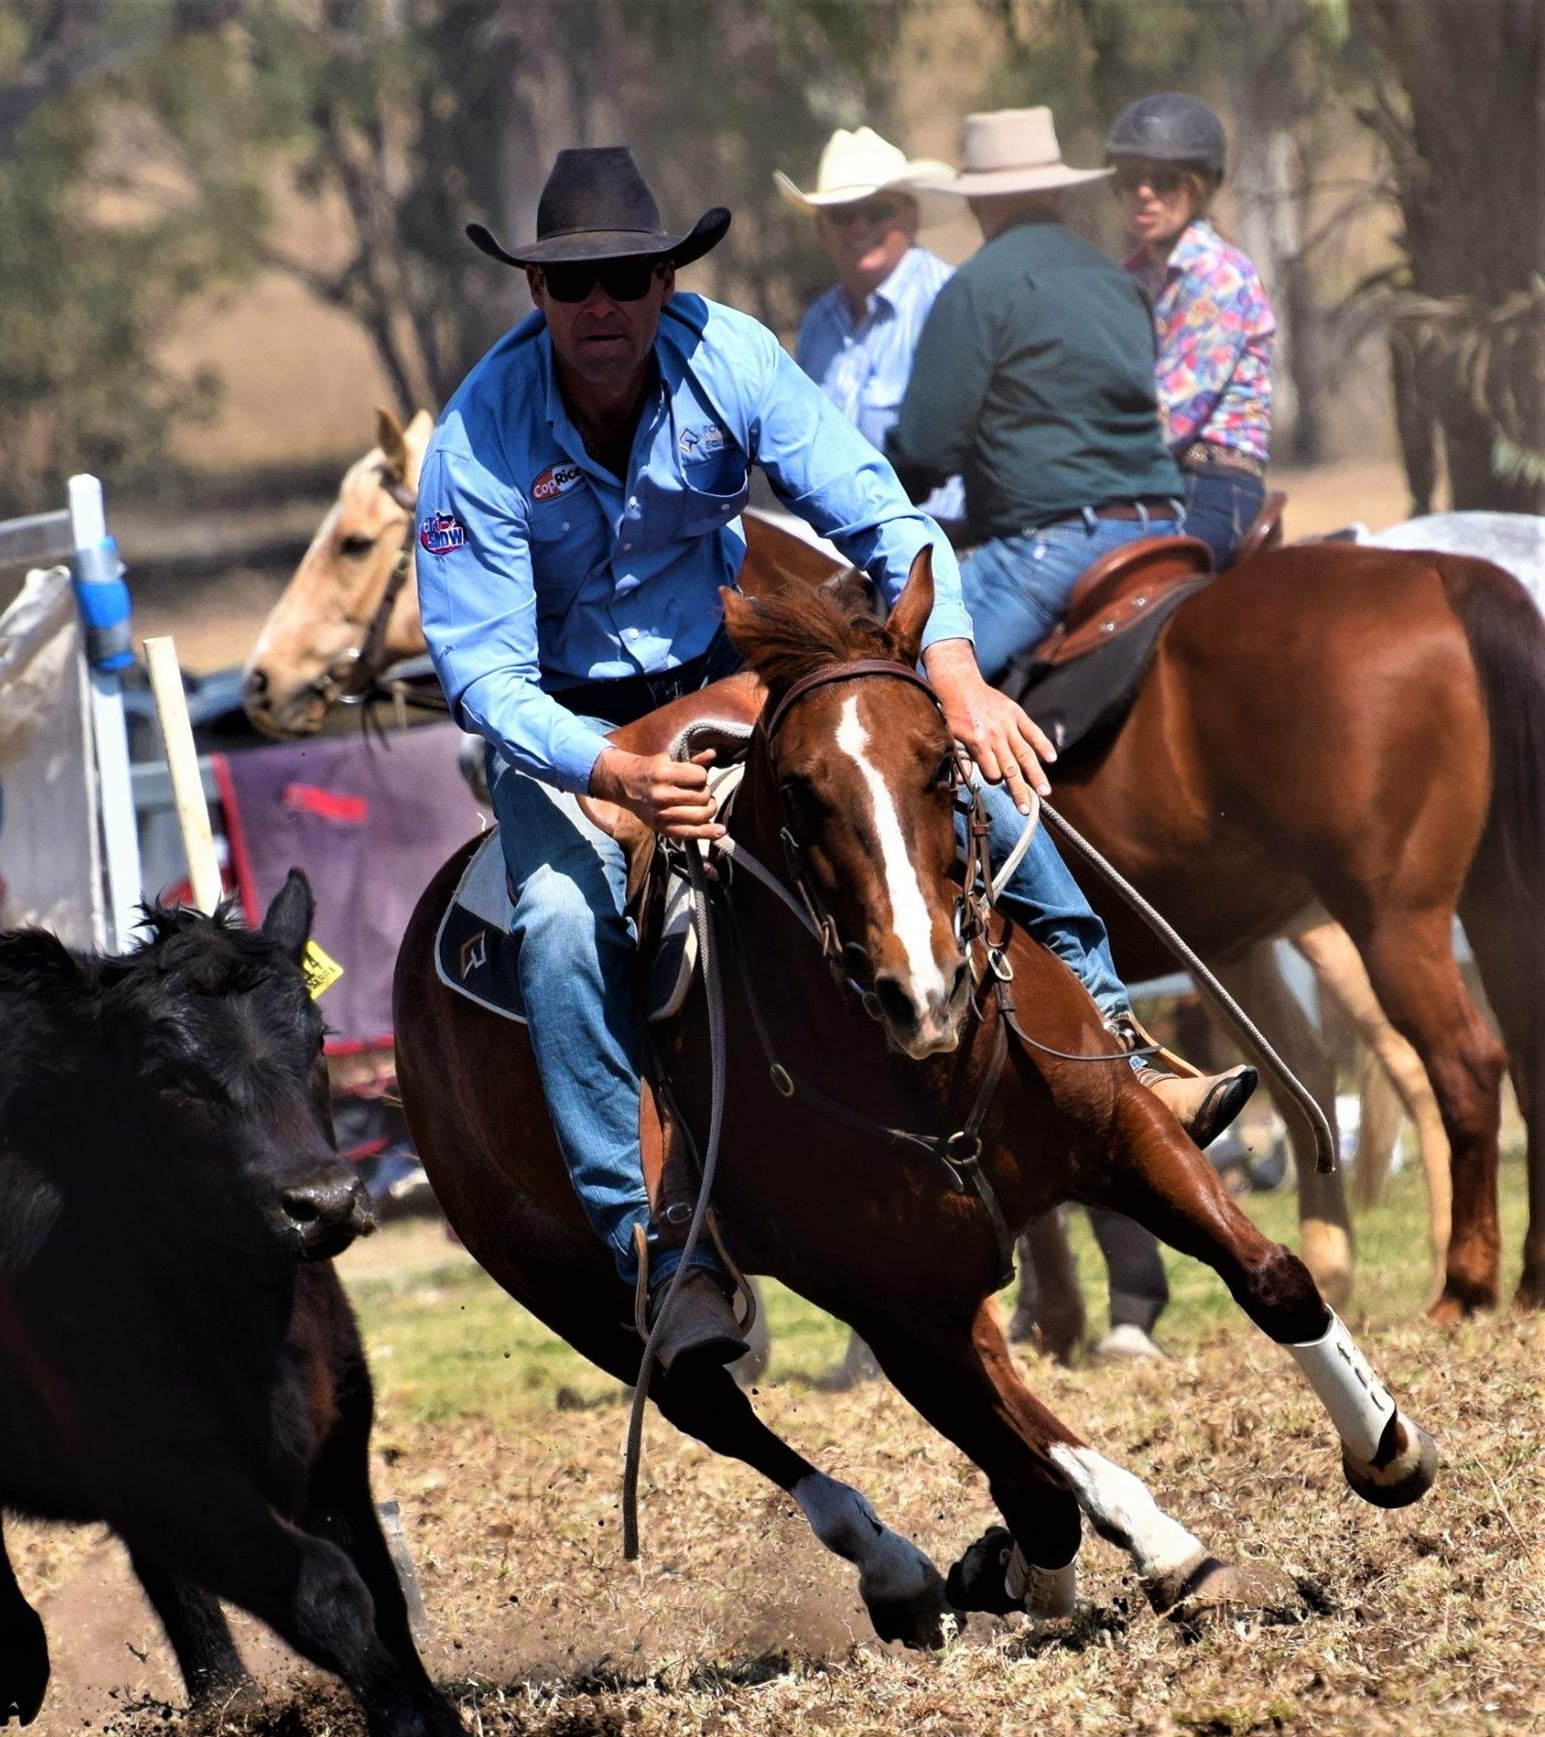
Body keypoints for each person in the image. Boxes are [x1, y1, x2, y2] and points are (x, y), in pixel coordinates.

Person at [416, 147, 1254, 1371]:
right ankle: (657, 1242)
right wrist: (609, 773)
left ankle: (1121, 1051)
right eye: (573, 285)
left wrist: (955, 672)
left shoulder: (733, 358)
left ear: (664, 282)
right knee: (552, 919)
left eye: (628, 278)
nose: (601, 306)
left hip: (729, 671)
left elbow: (883, 515)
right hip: (570, 724)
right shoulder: (476, 438)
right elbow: (481, 674)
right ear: (534, 292)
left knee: (951, 767)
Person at [889, 107, 1187, 679]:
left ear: (978, 201)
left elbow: (926, 450)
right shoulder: (1120, 281)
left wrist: (871, 504)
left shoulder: (976, 288)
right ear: (1056, 191)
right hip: (1166, 530)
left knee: (912, 689)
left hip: (1051, 548)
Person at [1107, 93, 1276, 570]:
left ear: (1198, 186)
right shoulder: (1131, 277)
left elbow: (1169, 418)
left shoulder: (1219, 277)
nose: (1143, 193)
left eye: (1163, 180)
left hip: (1212, 485)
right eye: (1129, 178)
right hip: (1151, 481)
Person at [778, 127, 964, 524]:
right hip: (835, 541)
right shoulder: (817, 324)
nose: (859, 227)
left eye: (878, 211)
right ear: (822, 229)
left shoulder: (951, 303)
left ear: (912, 218)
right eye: (842, 214)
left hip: (940, 540)